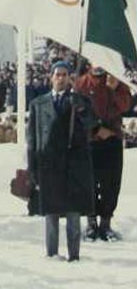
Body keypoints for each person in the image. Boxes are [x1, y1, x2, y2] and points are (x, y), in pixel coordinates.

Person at [27, 60, 94, 262]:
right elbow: (33, 138)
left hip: (73, 164)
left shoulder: (79, 102)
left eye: (65, 75)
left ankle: (74, 255)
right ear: (51, 78)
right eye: (58, 75)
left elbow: (92, 124)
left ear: (70, 78)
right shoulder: (38, 104)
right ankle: (52, 253)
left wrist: (81, 109)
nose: (61, 78)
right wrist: (33, 167)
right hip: (49, 164)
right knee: (51, 212)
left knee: (73, 213)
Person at [74, 65, 132, 241]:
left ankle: (106, 223)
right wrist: (96, 129)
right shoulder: (82, 83)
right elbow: (78, 109)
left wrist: (114, 89)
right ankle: (91, 223)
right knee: (88, 182)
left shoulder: (117, 82)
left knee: (111, 184)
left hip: (112, 140)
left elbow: (126, 106)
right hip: (89, 140)